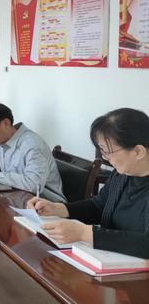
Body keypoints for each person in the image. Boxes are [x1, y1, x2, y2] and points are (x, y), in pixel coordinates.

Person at [28, 108, 149, 258]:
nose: (105, 158)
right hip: (108, 259)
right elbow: (98, 206)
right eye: (102, 151)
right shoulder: (122, 174)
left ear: (138, 152)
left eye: (108, 152)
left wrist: (84, 233)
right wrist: (58, 209)